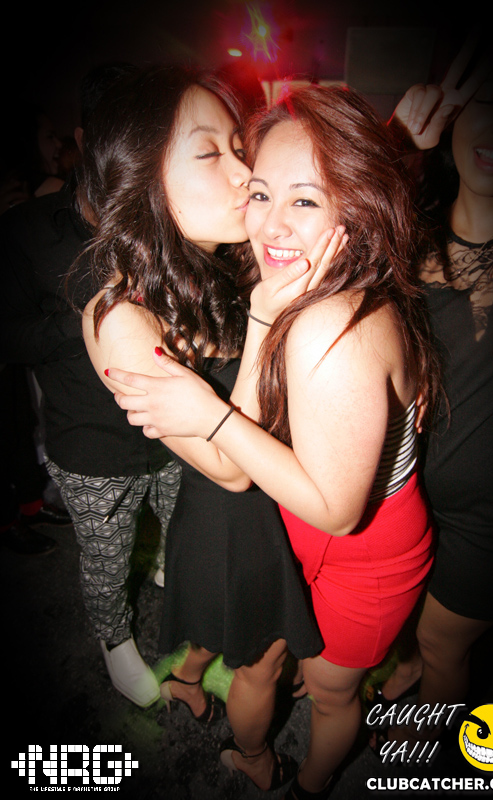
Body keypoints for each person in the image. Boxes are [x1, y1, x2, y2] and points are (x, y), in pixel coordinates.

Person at [105, 84, 438, 798]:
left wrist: (211, 412)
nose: (270, 220)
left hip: (361, 548)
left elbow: (338, 510)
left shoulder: (327, 319)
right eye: (261, 192)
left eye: (305, 201)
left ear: (355, 206)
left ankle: (311, 784)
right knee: (292, 664)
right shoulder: (278, 281)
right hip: (290, 527)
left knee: (330, 691)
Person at [81, 64, 326, 792]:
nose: (244, 172)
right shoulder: (119, 315)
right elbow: (228, 466)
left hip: (278, 489)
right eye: (211, 152)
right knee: (265, 658)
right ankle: (254, 759)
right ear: (142, 176)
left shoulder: (208, 265)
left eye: (237, 147)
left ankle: (185, 678)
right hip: (234, 514)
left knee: (229, 629)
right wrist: (264, 317)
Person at [0, 63, 182, 708]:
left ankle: (162, 567)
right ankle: (114, 641)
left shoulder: (167, 215)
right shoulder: (27, 231)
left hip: (173, 429)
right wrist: (88, 319)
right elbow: (6, 336)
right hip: (90, 443)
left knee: (179, 528)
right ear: (87, 138)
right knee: (106, 560)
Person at [368, 32, 493, 736]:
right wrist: (398, 140)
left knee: (445, 642)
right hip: (410, 494)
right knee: (424, 626)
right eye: (485, 101)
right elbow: (322, 225)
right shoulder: (411, 233)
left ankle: (447, 757)